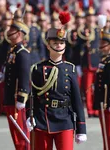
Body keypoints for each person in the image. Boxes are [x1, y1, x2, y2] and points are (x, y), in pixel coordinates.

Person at [26, 12, 87, 150]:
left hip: (65, 119)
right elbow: (32, 95)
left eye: (61, 42)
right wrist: (29, 114)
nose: (59, 45)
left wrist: (81, 128)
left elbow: (77, 100)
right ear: (48, 45)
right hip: (42, 119)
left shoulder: (70, 69)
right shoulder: (37, 68)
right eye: (55, 43)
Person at [0, 20, 31, 150]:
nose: (8, 32)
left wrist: (22, 98)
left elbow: (24, 76)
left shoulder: (22, 53)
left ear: (19, 34)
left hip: (17, 99)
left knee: (22, 133)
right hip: (10, 97)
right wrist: (3, 74)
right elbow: (11, 71)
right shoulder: (12, 51)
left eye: (12, 30)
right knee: (15, 134)